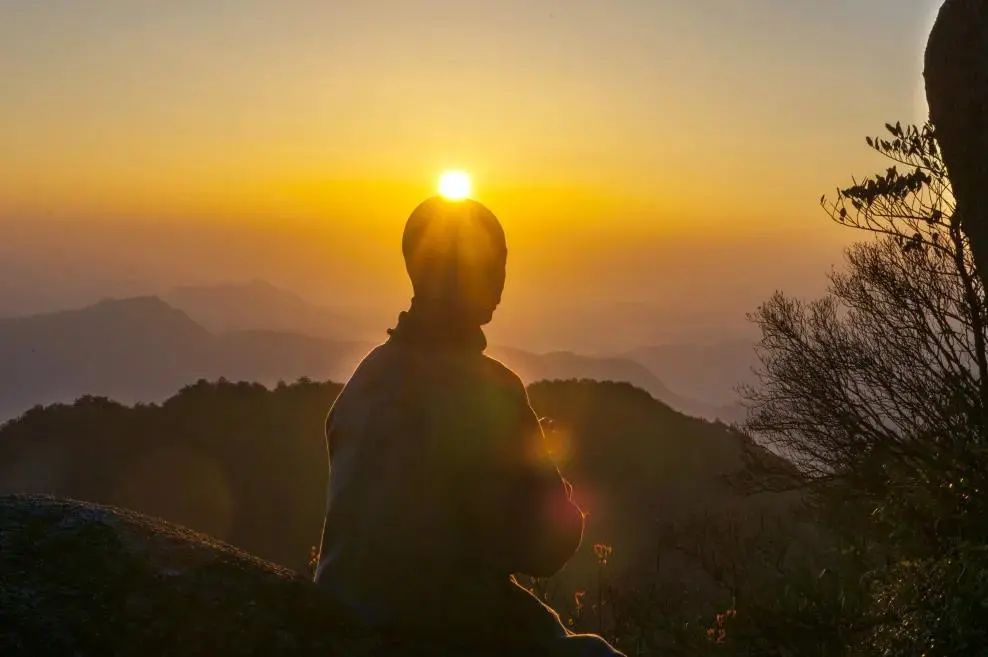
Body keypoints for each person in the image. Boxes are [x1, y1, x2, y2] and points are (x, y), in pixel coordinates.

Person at [314, 197, 622, 656]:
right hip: (439, 629)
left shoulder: (363, 383)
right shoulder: (490, 390)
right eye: (491, 268)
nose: (500, 286)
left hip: (343, 611)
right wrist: (568, 511)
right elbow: (543, 551)